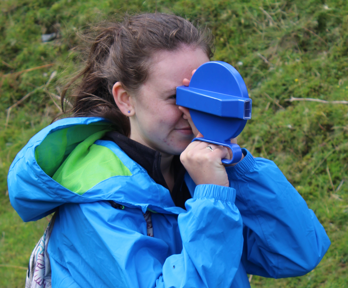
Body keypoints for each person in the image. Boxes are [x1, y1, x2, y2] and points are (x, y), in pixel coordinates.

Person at [8, 13, 330, 288]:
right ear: (125, 99)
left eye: (201, 97)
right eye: (176, 99)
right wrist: (212, 199)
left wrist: (236, 167)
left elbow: (298, 252)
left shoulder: (194, 171)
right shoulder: (98, 203)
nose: (191, 114)